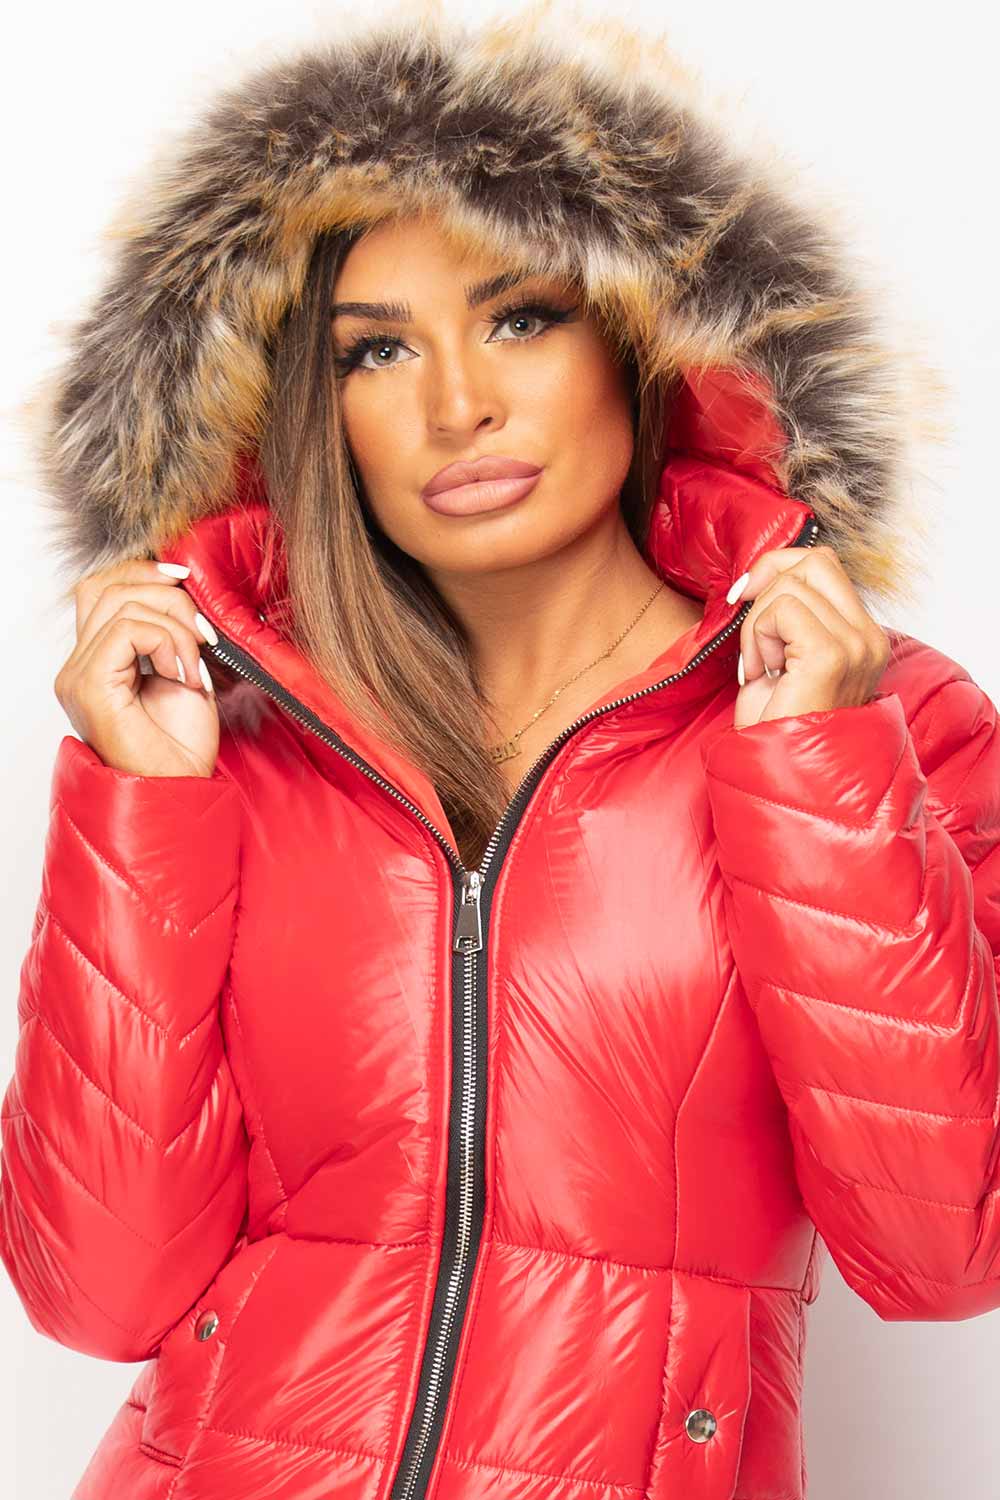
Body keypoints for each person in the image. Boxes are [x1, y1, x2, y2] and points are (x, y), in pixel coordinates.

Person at [3, 12, 999, 1500]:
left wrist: (815, 771)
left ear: (644, 346)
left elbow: (944, 1249)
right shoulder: (228, 746)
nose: (455, 403)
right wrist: (143, 803)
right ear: (311, 411)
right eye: (377, 350)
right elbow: (95, 1292)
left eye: (521, 318)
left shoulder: (877, 726)